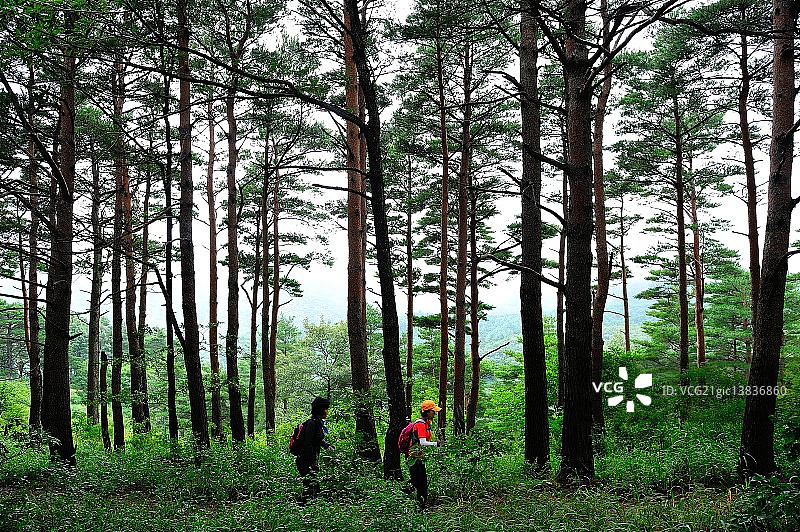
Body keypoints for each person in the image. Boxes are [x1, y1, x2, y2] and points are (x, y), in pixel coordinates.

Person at [296, 396, 335, 504]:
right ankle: (301, 508)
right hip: (304, 461)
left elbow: (316, 440)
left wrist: (326, 446)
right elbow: (307, 443)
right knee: (313, 487)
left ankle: (304, 508)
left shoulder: (317, 423)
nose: (327, 411)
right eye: (326, 409)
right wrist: (313, 461)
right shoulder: (312, 424)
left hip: (308, 460)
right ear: (321, 410)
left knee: (311, 486)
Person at [407, 400, 441, 508]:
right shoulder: (421, 424)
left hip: (419, 457)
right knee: (416, 482)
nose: (434, 413)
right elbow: (423, 442)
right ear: (427, 412)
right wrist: (437, 444)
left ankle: (421, 506)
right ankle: (398, 496)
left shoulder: (426, 423)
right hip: (414, 457)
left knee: (422, 483)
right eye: (433, 411)